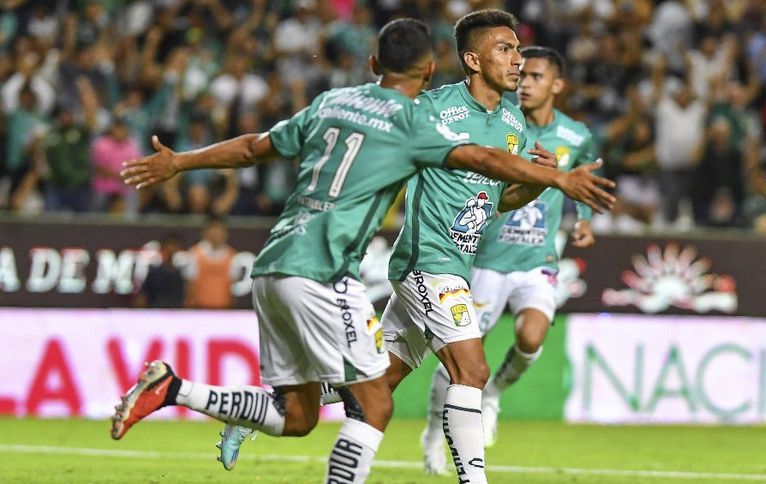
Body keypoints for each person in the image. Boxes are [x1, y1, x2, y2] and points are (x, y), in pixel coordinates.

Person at [114, 18, 615, 484]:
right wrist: (558, 179)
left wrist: (537, 183)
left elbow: (497, 195)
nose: (517, 60)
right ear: (465, 61)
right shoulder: (427, 111)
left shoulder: (509, 120)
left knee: (374, 383)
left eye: (518, 50)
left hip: (371, 262)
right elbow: (476, 157)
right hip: (423, 261)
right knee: (471, 371)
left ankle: (231, 406)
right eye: (505, 49)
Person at [419, 46, 600, 471]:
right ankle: (433, 432)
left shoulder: (576, 135)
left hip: (538, 259)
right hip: (487, 258)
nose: (527, 83)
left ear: (556, 84)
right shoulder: (502, 123)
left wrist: (584, 219)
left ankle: (494, 394)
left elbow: (583, 178)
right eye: (525, 75)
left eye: (537, 76)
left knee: (531, 337)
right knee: (462, 358)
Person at [184, 217, 236, 309]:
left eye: (219, 230)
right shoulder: (194, 254)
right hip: (199, 308)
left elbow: (233, 286)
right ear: (205, 232)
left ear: (225, 233)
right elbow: (189, 285)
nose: (215, 233)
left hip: (224, 308)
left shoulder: (233, 256)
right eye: (212, 229)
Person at [133, 233, 186, 309]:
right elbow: (143, 296)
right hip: (155, 310)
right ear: (163, 248)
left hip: (177, 311)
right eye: (169, 245)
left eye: (175, 246)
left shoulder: (183, 273)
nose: (171, 249)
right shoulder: (154, 272)